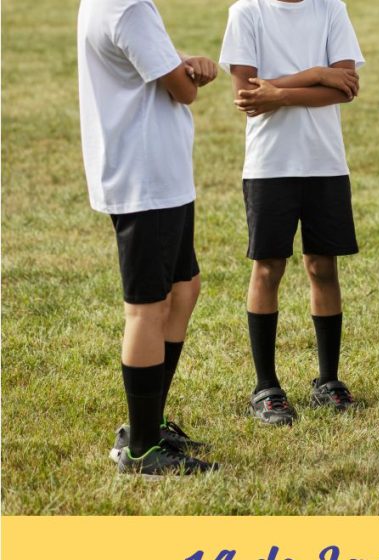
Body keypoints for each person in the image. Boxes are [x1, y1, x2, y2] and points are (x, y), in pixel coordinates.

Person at [78, 0, 219, 474]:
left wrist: (181, 65)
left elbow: (156, 65)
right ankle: (140, 450)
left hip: (159, 176)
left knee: (184, 288)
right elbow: (182, 91)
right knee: (147, 307)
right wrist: (193, 74)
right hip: (145, 180)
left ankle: (149, 423)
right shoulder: (128, 7)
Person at [219, 0, 365, 425]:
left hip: (325, 162)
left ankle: (328, 380)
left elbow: (346, 88)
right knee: (268, 267)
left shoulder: (330, 9)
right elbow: (246, 95)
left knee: (324, 266)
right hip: (270, 164)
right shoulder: (247, 12)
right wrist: (317, 74)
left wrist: (280, 92)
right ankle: (266, 387)